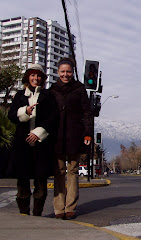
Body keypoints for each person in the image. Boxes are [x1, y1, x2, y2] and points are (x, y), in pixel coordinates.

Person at [8, 64, 58, 216]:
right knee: (22, 181)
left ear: (42, 79)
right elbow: (11, 116)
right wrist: (24, 112)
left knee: (40, 180)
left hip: (41, 145)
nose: (35, 78)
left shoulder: (48, 96)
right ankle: (24, 212)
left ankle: (37, 214)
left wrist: (38, 132)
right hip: (22, 145)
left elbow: (54, 117)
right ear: (27, 77)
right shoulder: (19, 96)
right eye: (33, 75)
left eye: (39, 76)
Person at [50, 57, 93, 220]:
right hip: (57, 136)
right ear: (58, 72)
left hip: (75, 135)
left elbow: (87, 113)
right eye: (62, 71)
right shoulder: (52, 90)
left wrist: (87, 133)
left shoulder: (80, 89)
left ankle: (70, 207)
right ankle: (58, 208)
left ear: (73, 72)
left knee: (73, 171)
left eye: (68, 71)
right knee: (59, 172)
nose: (65, 74)